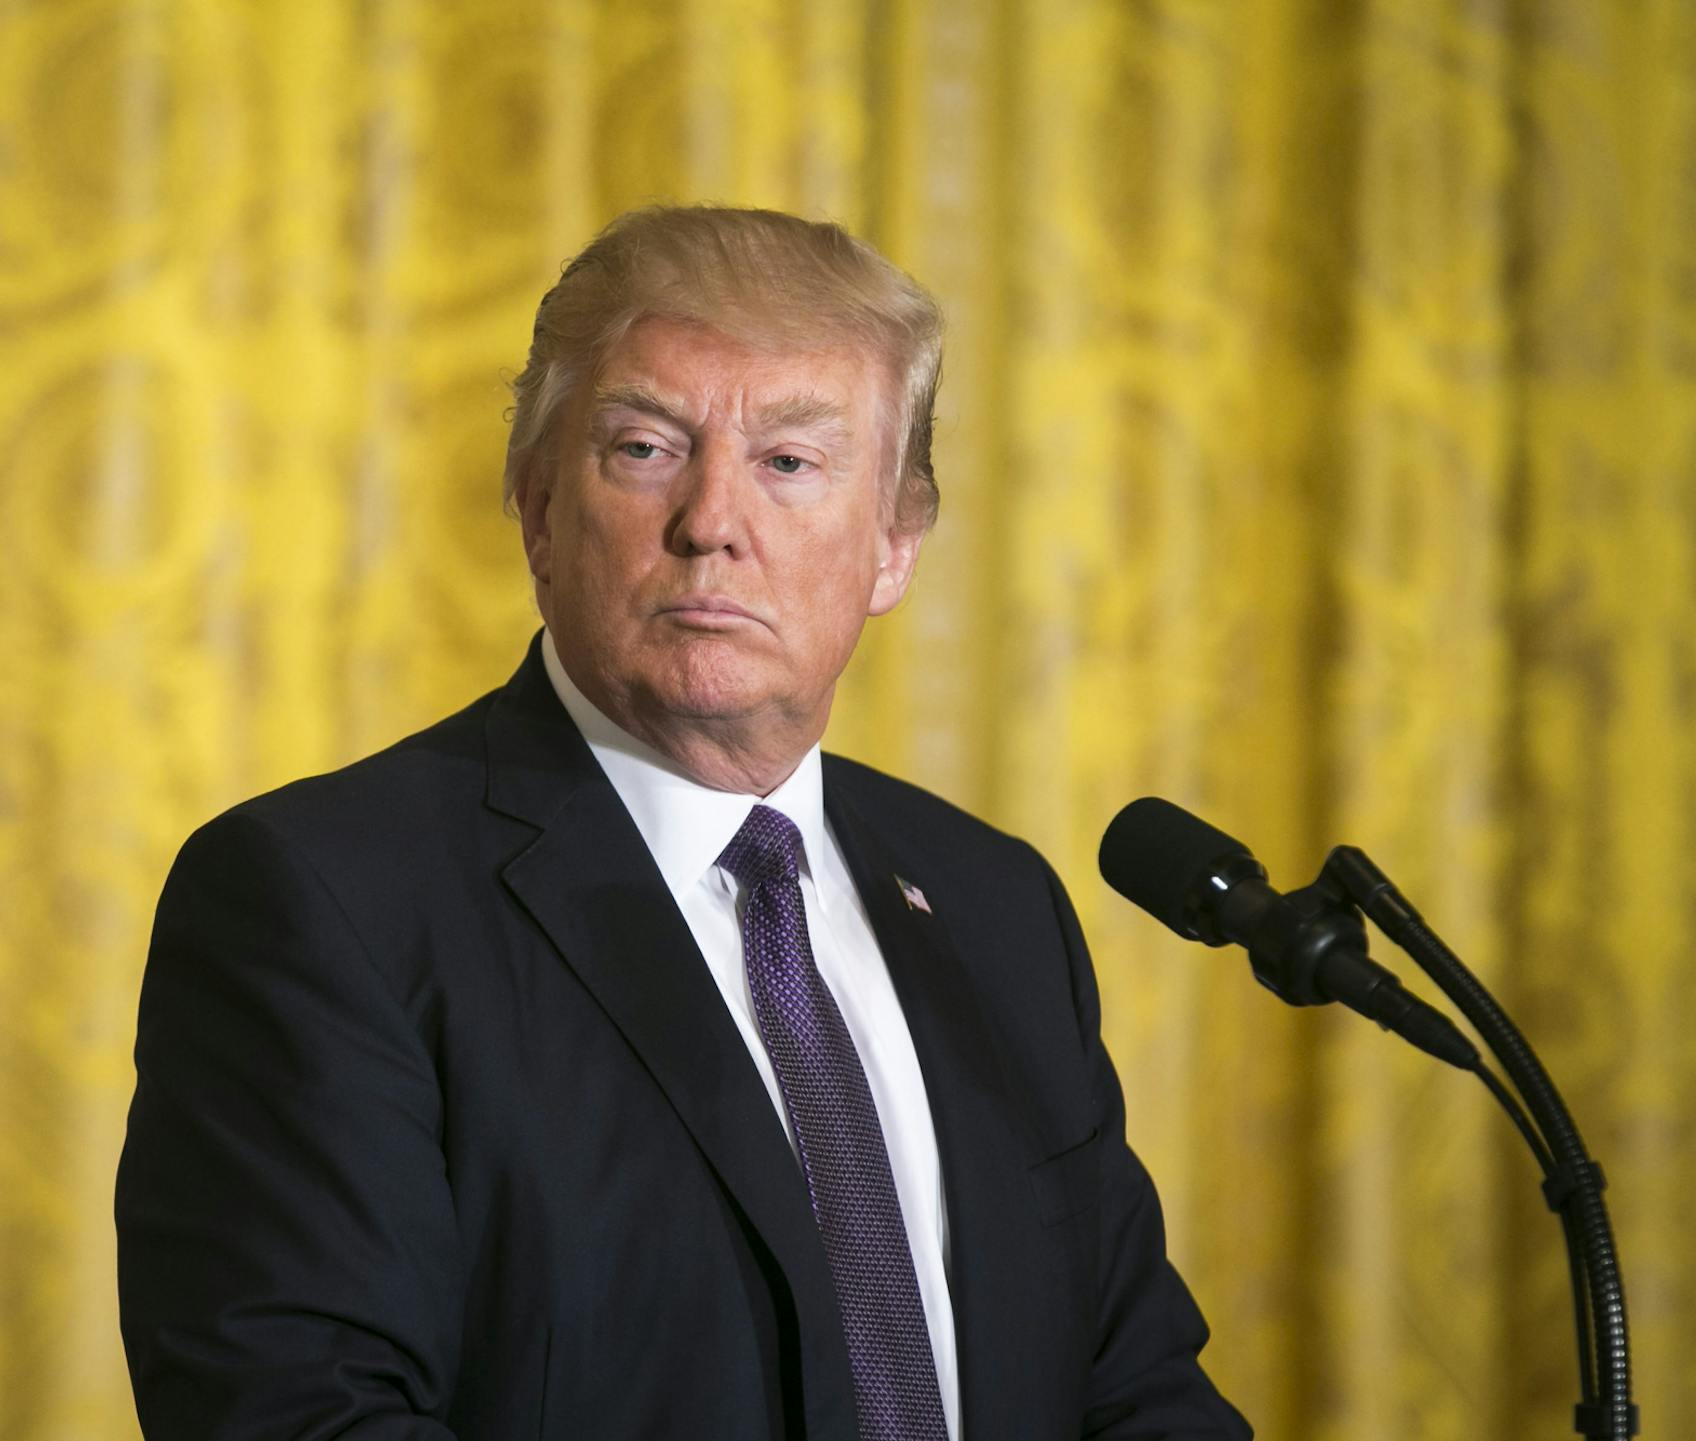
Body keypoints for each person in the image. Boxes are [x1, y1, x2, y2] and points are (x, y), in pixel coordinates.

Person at [116, 206, 1251, 1440]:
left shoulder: (995, 905)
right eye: (647, 447)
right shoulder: (322, 900)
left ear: (894, 545)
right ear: (537, 507)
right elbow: (298, 1414)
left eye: (790, 462)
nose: (713, 520)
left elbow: (1137, 1391)